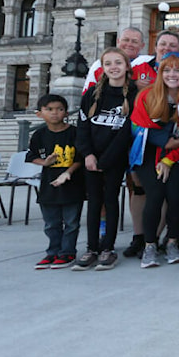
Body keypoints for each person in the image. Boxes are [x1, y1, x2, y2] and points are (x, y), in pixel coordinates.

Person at [74, 47, 137, 271]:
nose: (113, 67)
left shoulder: (134, 94)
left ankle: (108, 248)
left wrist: (107, 159)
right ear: (103, 68)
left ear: (127, 66)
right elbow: (82, 128)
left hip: (115, 159)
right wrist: (88, 155)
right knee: (93, 202)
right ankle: (92, 247)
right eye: (108, 63)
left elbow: (127, 131)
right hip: (92, 158)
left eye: (118, 62)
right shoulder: (91, 95)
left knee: (110, 200)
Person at [129, 53, 179, 268]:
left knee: (175, 197)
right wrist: (164, 143)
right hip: (150, 154)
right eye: (167, 70)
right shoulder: (147, 95)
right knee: (155, 196)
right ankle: (149, 245)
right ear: (160, 72)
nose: (172, 75)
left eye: (177, 70)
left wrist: (170, 158)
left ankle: (172, 241)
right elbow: (139, 126)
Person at [29, 94, 85, 270]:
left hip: (72, 185)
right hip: (48, 185)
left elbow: (80, 157)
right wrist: (45, 162)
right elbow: (32, 156)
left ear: (66, 113)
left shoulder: (74, 132)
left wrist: (68, 173)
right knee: (51, 223)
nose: (55, 113)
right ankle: (52, 251)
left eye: (59, 109)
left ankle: (67, 252)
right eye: (49, 109)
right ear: (40, 114)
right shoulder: (39, 135)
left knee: (71, 222)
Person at [82, 27, 150, 93]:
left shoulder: (149, 64)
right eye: (126, 40)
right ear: (118, 41)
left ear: (142, 45)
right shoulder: (99, 64)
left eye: (134, 41)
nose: (129, 44)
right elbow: (88, 93)